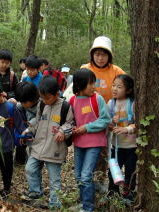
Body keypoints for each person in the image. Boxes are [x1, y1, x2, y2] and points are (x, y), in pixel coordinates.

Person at [81, 35, 126, 192]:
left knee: (103, 150)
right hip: (87, 117)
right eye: (97, 54)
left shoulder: (116, 71)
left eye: (104, 54)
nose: (100, 58)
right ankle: (85, 180)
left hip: (109, 119)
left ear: (109, 55)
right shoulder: (85, 69)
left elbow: (125, 91)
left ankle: (99, 180)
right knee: (87, 149)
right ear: (92, 54)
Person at [22, 77, 73, 209]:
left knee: (54, 179)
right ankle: (35, 193)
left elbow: (70, 124)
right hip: (38, 146)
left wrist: (62, 131)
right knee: (30, 168)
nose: (44, 101)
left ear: (57, 94)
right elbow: (37, 121)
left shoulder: (65, 107)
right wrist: (28, 129)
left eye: (47, 98)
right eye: (42, 98)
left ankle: (55, 204)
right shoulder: (42, 104)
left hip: (54, 148)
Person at [71, 68, 111, 212]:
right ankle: (83, 203)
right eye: (91, 83)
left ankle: (88, 207)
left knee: (86, 175)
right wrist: (71, 128)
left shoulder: (97, 98)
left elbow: (106, 119)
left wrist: (86, 127)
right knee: (78, 175)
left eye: (94, 83)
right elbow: (71, 120)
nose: (94, 86)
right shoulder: (72, 100)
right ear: (80, 85)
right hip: (79, 143)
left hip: (94, 143)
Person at [107, 74, 136, 201]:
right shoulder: (111, 103)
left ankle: (128, 194)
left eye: (119, 86)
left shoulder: (133, 103)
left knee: (130, 171)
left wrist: (126, 129)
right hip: (116, 146)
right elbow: (108, 126)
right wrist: (112, 122)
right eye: (113, 85)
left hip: (132, 146)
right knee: (112, 171)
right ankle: (113, 193)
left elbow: (138, 124)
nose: (114, 89)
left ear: (128, 90)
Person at [14, 82, 40, 165]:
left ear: (33, 98)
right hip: (28, 135)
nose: (22, 104)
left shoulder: (41, 105)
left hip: (37, 136)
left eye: (24, 102)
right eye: (21, 102)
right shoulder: (22, 105)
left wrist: (29, 127)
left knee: (33, 157)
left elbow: (40, 118)